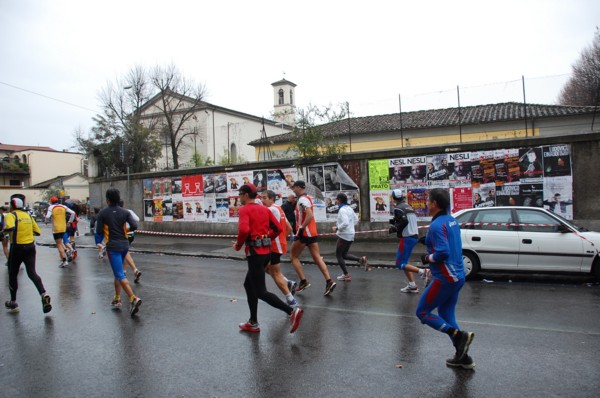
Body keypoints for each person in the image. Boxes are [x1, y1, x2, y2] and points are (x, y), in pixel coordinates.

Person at [233, 183, 303, 333]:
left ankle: (292, 312)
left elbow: (244, 229)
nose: (239, 198)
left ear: (245, 195)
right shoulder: (264, 209)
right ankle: (253, 322)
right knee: (248, 284)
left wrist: (238, 245)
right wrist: (266, 239)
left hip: (255, 254)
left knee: (260, 292)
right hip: (266, 253)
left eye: (240, 195)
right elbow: (278, 228)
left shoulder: (245, 210)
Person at [417, 188, 475, 369]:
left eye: (428, 201)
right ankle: (463, 357)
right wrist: (427, 240)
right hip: (458, 276)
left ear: (434, 204)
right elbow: (447, 240)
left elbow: (442, 252)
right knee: (446, 314)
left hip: (445, 278)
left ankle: (459, 336)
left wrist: (427, 258)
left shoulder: (436, 225)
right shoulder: (452, 221)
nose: (427, 204)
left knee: (423, 313)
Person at [95, 188, 142, 317]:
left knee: (120, 274)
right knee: (118, 273)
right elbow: (134, 226)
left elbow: (99, 231)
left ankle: (133, 298)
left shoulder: (103, 213)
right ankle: (117, 298)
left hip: (113, 247)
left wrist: (100, 241)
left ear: (107, 199)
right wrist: (124, 229)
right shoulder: (125, 212)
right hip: (125, 245)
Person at [3, 196, 52, 314]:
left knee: (12, 274)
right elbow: (37, 232)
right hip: (30, 247)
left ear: (13, 206)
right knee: (32, 273)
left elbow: (10, 227)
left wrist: (3, 232)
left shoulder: (11, 215)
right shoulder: (28, 216)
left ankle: (13, 302)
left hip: (17, 247)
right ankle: (43, 294)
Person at [289, 180, 336, 296]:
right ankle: (329, 281)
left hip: (304, 233)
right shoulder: (307, 198)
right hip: (312, 232)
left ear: (299, 188)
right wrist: (285, 180)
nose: (293, 190)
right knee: (317, 258)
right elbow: (308, 214)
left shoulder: (302, 200)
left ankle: (303, 281)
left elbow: (309, 215)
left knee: (293, 257)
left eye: (294, 188)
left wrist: (300, 228)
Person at [388, 189, 430, 293]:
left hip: (406, 237)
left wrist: (395, 228)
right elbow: (405, 219)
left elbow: (404, 221)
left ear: (393, 198)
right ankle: (412, 285)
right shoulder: (408, 206)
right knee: (404, 262)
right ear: (402, 197)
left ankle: (423, 272)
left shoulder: (398, 208)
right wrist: (395, 221)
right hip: (414, 236)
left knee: (399, 263)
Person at [261, 190, 297, 306]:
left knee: (275, 273)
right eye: (261, 198)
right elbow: (289, 228)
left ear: (272, 199)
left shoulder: (270, 209)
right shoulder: (279, 208)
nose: (262, 200)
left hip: (274, 245)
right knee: (266, 268)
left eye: (265, 198)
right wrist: (282, 238)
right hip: (279, 243)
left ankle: (290, 299)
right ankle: (288, 282)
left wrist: (276, 239)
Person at [332, 192, 368, 281]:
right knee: (344, 255)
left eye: (336, 199)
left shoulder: (342, 210)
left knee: (338, 255)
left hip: (344, 235)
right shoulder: (349, 208)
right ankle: (360, 259)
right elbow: (356, 220)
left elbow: (345, 223)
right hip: (351, 234)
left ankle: (346, 275)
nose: (336, 201)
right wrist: (350, 228)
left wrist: (337, 228)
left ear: (339, 200)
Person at [45, 196, 76, 267]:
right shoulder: (63, 207)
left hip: (56, 228)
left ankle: (65, 261)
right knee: (61, 242)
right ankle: (67, 251)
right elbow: (73, 213)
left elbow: (47, 217)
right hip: (63, 227)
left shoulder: (51, 207)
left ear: (51, 202)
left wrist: (46, 221)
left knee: (58, 244)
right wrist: (69, 221)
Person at [119, 200, 142, 283]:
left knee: (125, 253)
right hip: (131, 235)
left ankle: (135, 270)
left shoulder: (118, 213)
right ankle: (125, 272)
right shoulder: (129, 211)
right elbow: (137, 219)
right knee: (125, 253)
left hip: (124, 235)